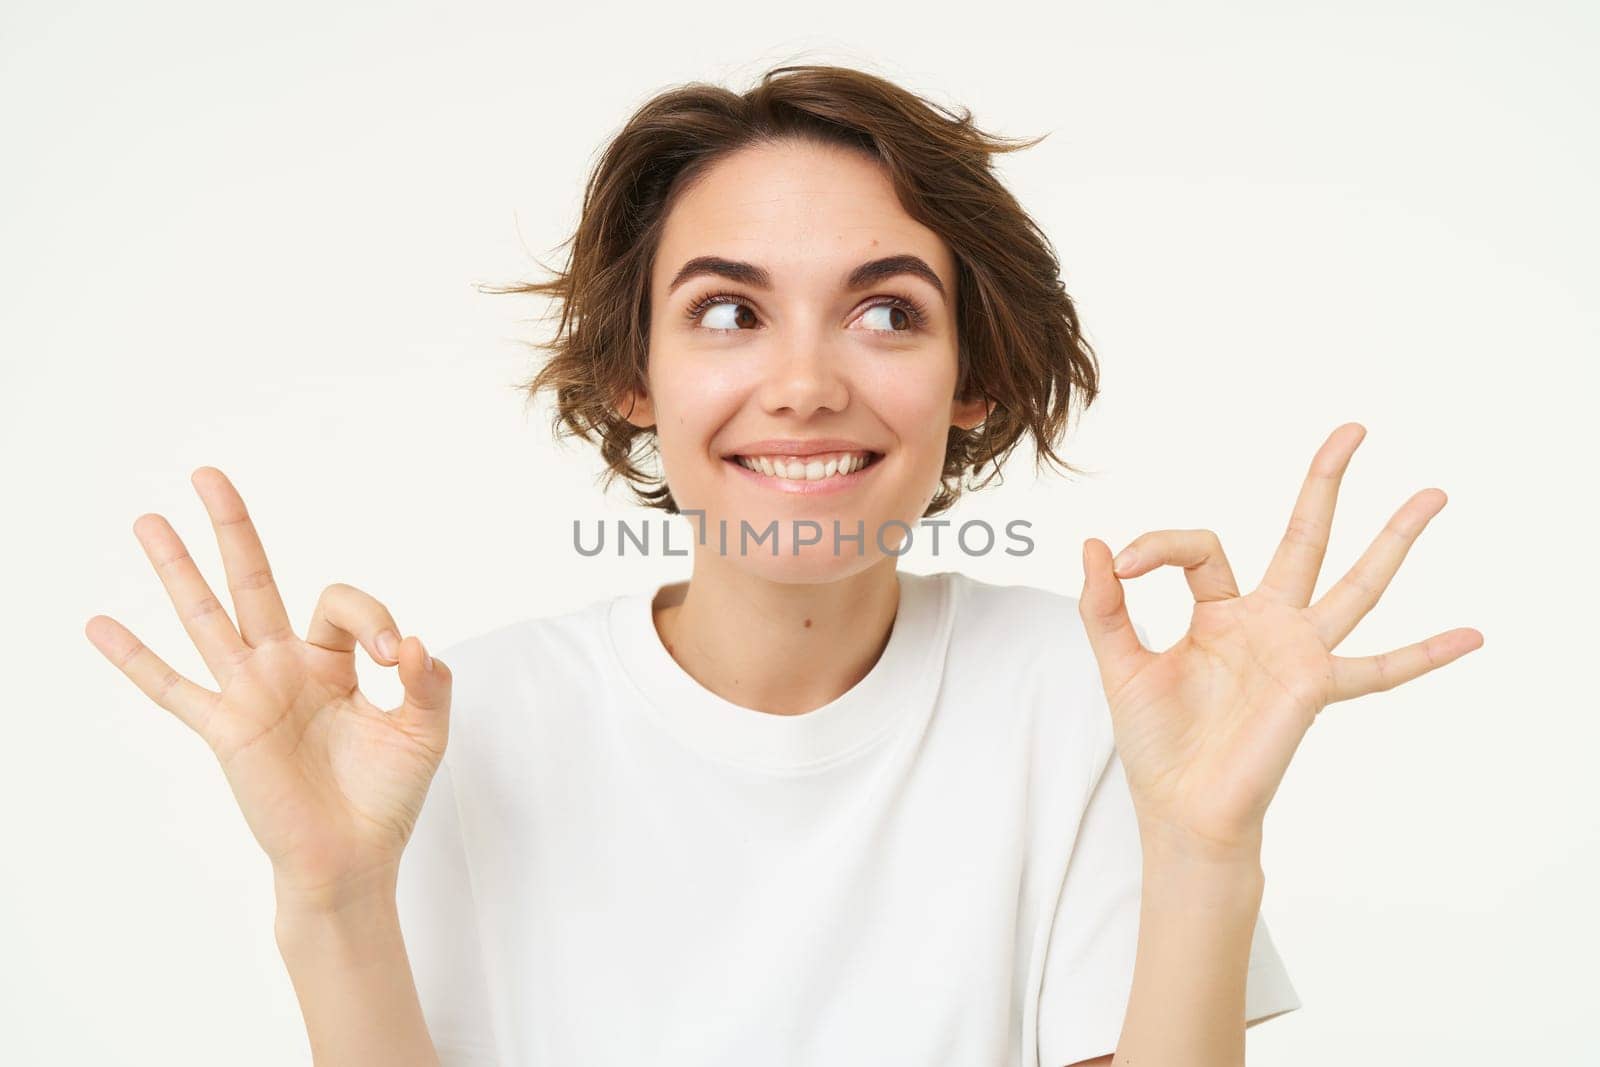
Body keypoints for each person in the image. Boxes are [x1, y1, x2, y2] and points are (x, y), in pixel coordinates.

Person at [83, 64, 1483, 1066]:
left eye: (884, 310)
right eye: (729, 311)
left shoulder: (1090, 698)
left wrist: (1201, 853)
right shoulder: (454, 728)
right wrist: (330, 897)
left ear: (974, 378)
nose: (804, 384)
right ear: (635, 375)